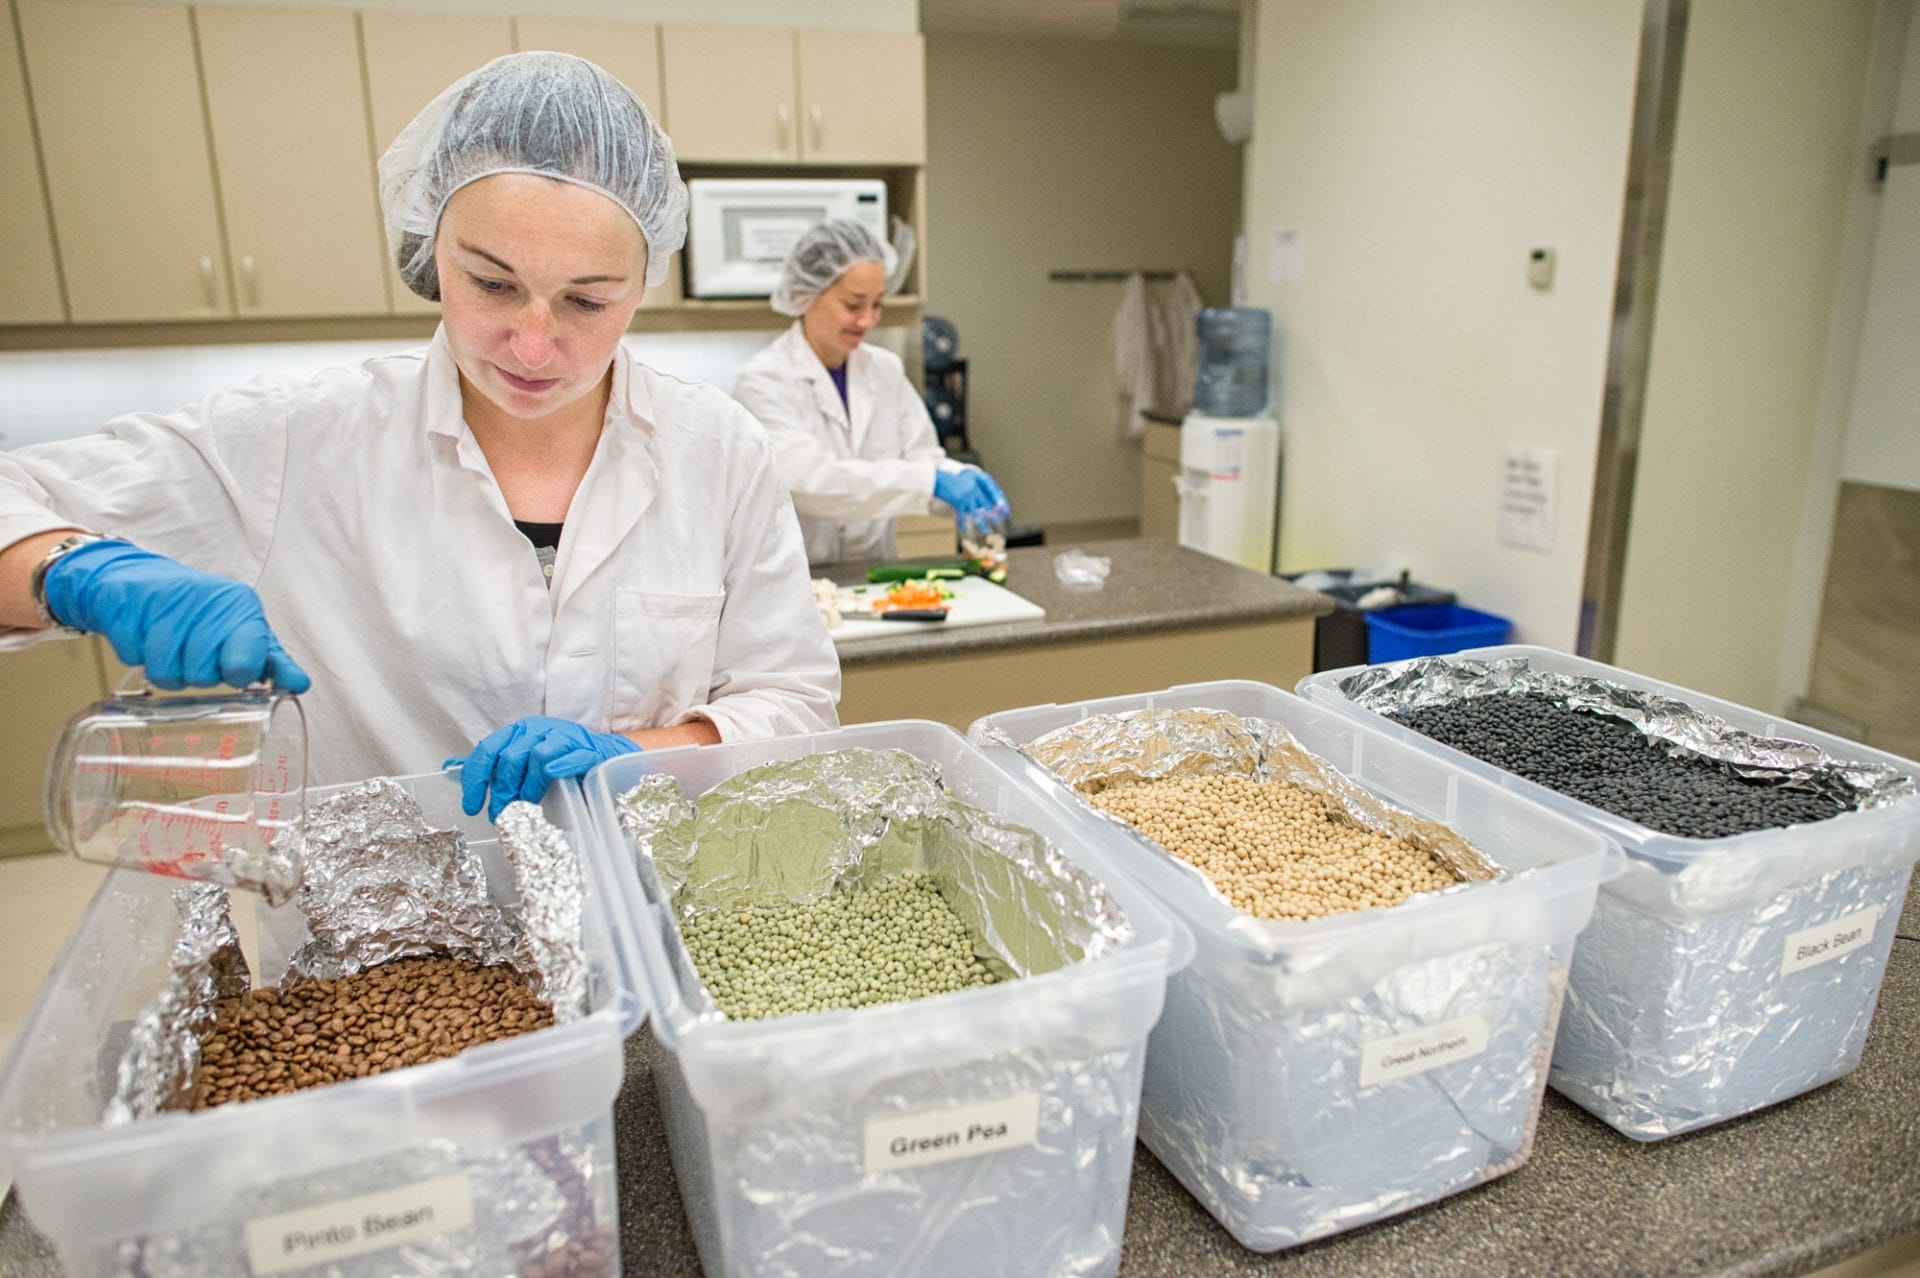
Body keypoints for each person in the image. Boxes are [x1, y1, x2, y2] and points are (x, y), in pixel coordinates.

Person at [0, 52, 838, 819]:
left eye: (588, 301)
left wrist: (634, 756)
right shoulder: (302, 439)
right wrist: (77, 571)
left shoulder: (716, 447)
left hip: (650, 925)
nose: (535, 344)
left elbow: (793, 700)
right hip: (373, 963)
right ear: (429, 250)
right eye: (491, 283)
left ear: (643, 282)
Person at [732, 219, 1009, 565]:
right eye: (853, 305)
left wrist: (962, 482)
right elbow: (812, 481)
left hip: (877, 571)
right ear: (806, 295)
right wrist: (932, 482)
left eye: (877, 304)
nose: (867, 320)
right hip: (797, 580)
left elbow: (923, 458)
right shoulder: (764, 380)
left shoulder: (885, 369)